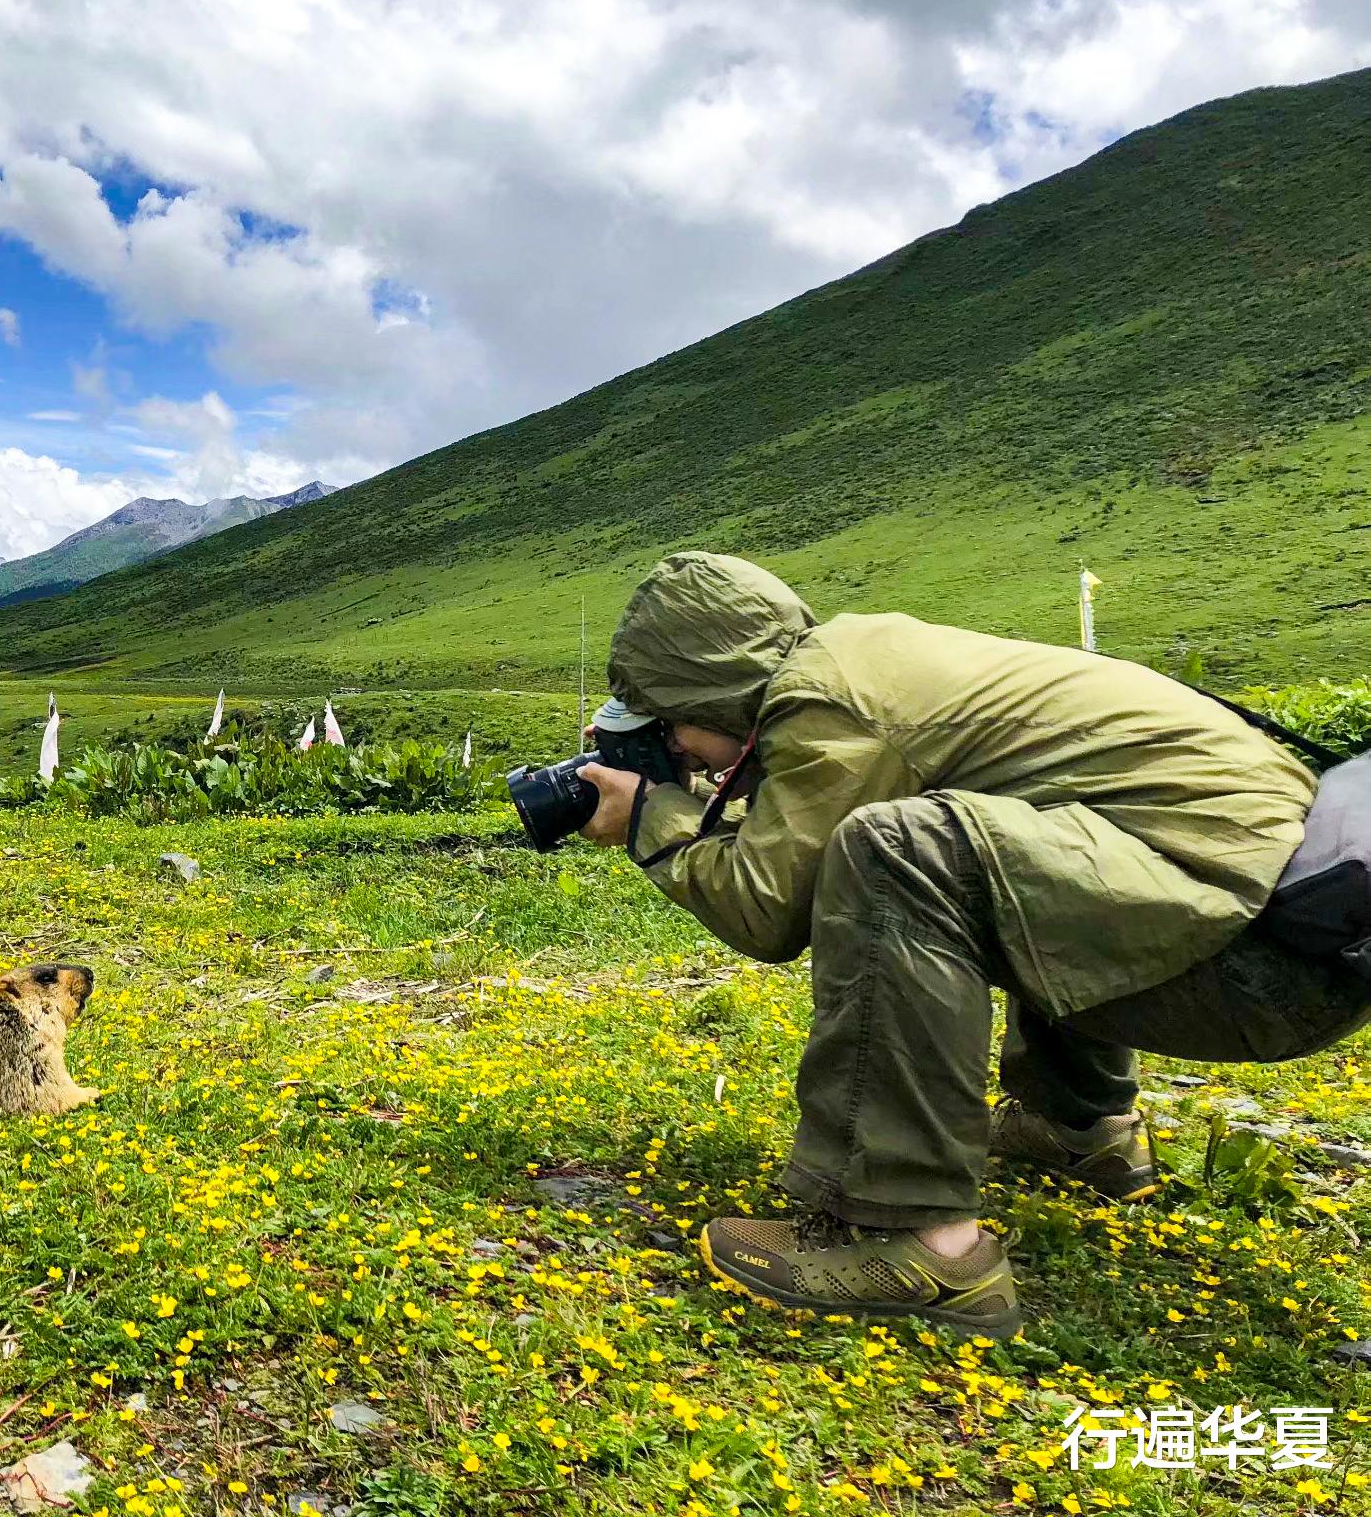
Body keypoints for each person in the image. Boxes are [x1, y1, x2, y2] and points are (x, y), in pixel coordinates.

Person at [574, 551, 1368, 1337]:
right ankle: (1076, 1126)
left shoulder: (832, 704)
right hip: (1301, 929)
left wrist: (656, 819)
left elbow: (768, 908)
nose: (678, 749)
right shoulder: (868, 658)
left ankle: (917, 1240)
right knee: (1001, 837)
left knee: (897, 852)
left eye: (673, 726)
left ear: (711, 692)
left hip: (1260, 968)